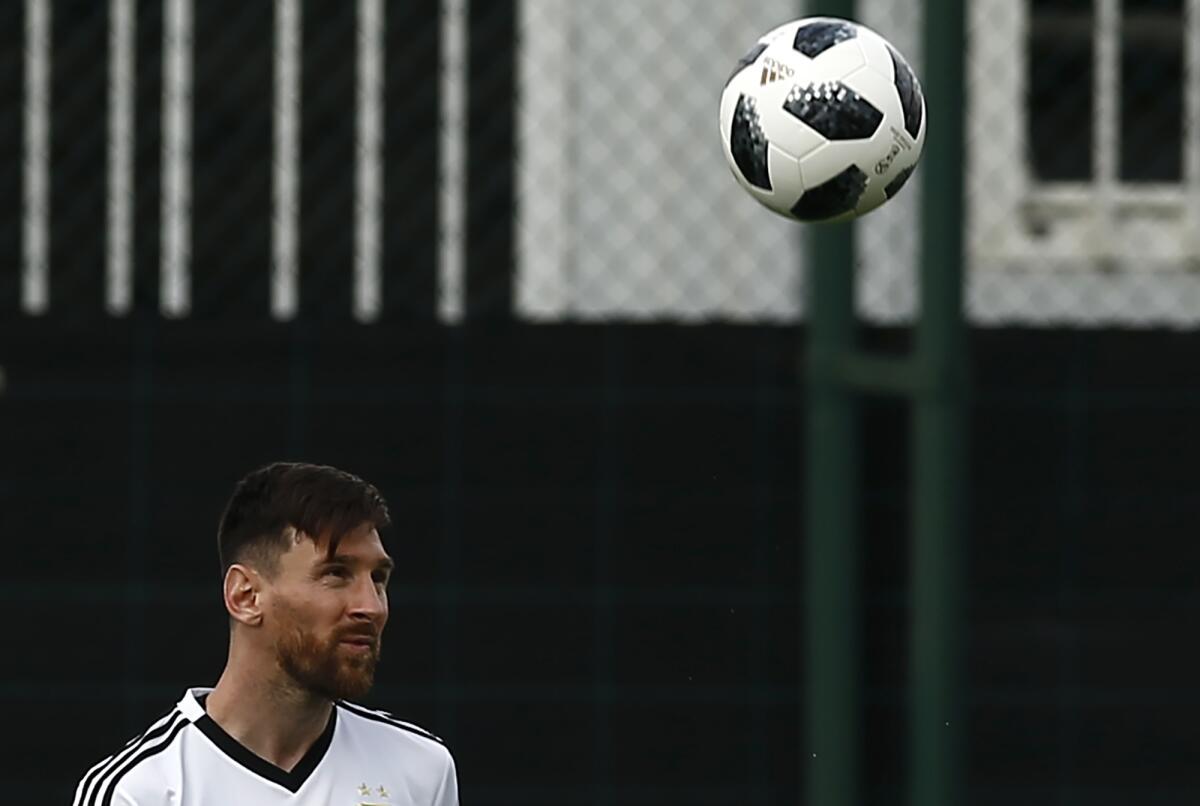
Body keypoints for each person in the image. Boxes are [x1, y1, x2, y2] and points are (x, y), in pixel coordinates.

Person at [72, 462, 458, 806]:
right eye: (336, 574)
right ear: (245, 596)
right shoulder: (139, 792)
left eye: (378, 578)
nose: (371, 606)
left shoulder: (421, 769)